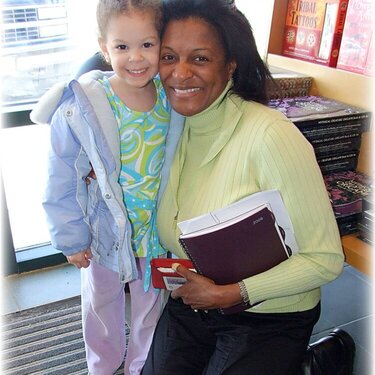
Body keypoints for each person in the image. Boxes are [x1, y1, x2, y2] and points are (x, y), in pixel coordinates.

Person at [141, 0, 345, 374]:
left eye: (199, 59)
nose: (180, 74)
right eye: (169, 57)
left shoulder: (271, 136)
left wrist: (228, 294)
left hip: (269, 313)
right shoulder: (169, 127)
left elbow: (326, 260)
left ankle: (318, 361)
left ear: (230, 64)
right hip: (197, 298)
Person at [30, 0, 183, 374]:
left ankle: (140, 367)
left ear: (161, 44)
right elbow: (60, 173)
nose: (136, 58)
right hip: (104, 234)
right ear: (104, 48)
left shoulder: (171, 97)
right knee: (102, 307)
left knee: (152, 308)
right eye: (122, 47)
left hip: (154, 232)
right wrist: (71, 237)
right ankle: (103, 365)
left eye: (147, 45)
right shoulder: (85, 105)